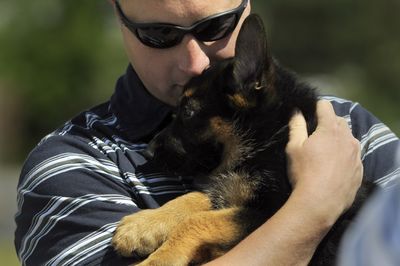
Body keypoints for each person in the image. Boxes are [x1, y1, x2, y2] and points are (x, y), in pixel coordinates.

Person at [14, 0, 400, 265]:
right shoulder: (68, 167)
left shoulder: (351, 133)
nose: (195, 63)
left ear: (247, 7)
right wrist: (315, 206)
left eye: (216, 26)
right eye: (161, 34)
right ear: (117, 13)